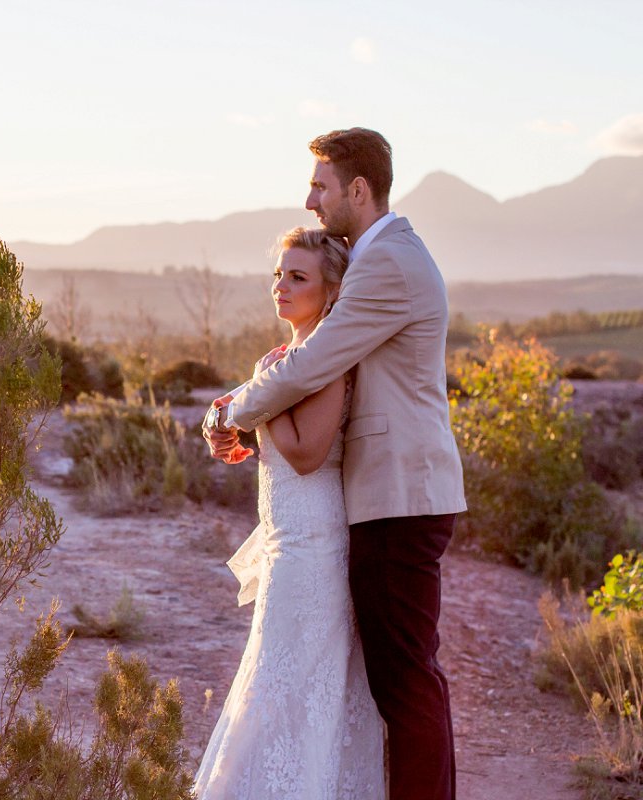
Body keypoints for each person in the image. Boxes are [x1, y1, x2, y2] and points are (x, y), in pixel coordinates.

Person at [206, 127, 467, 800]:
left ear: (357, 189)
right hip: (385, 495)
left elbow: (313, 364)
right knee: (397, 679)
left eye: (320, 186)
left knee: (406, 681)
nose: (311, 200)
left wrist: (234, 410)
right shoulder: (380, 257)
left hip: (400, 494)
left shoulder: (388, 262)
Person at [193, 227, 384, 800]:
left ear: (331, 291)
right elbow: (273, 438)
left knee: (290, 679)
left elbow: (306, 454)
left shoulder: (326, 357)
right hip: (285, 538)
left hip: (313, 546)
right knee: (277, 675)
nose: (281, 285)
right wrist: (233, 426)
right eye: (279, 274)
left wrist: (257, 399)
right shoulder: (286, 360)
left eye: (298, 277)